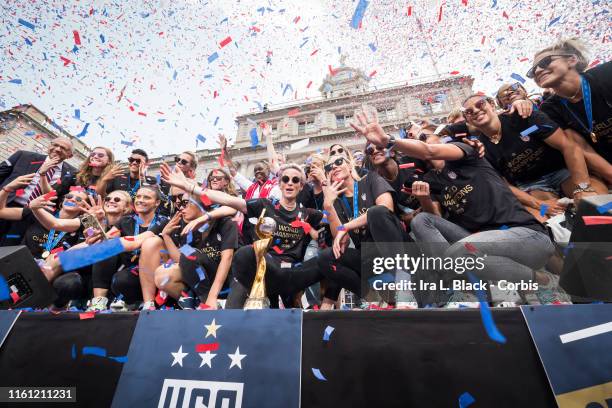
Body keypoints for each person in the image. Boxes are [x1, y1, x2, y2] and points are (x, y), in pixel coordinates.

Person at [350, 110, 571, 306]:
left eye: (424, 136)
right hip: (477, 244)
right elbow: (434, 219)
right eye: (414, 140)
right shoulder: (431, 180)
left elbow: (428, 151)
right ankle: (460, 290)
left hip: (525, 236)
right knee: (422, 222)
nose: (418, 141)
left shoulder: (467, 154)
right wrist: (425, 199)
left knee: (458, 252)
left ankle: (543, 281)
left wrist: (388, 140)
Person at [160, 162, 335, 309]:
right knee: (246, 253)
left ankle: (323, 305)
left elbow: (338, 225)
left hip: (293, 273)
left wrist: (327, 195)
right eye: (285, 179)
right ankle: (229, 314)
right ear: (279, 184)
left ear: (301, 186)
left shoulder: (308, 213)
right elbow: (227, 200)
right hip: (265, 267)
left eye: (295, 180)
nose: (290, 183)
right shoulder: (264, 205)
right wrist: (190, 187)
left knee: (334, 255)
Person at [461, 94, 607, 221]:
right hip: (531, 186)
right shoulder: (481, 148)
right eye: (468, 111)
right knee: (545, 218)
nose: (475, 111)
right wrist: (539, 205)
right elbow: (504, 185)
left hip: (562, 172)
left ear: (492, 104)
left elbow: (569, 146)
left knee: (596, 202)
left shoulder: (524, 117)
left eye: (480, 104)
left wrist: (583, 187)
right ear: (467, 120)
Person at [315, 152, 414, 308]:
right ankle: (374, 297)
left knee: (376, 212)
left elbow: (385, 208)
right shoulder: (337, 202)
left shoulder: (370, 179)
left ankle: (404, 287)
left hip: (397, 248)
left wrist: (346, 226)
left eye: (339, 162)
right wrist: (328, 206)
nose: (334, 167)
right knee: (325, 257)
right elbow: (342, 241)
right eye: (329, 167)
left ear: (350, 165)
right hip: (369, 256)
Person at [137, 189, 238, 311]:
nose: (180, 208)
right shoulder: (183, 226)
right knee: (162, 275)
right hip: (201, 280)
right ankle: (196, 303)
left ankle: (208, 302)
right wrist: (166, 236)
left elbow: (227, 259)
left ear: (201, 204)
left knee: (190, 254)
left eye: (185, 203)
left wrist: (211, 296)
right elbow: (183, 262)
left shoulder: (224, 222)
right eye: (178, 205)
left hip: (227, 279)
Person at [529, 38, 612, 184]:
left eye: (544, 62)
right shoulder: (549, 109)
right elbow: (582, 148)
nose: (537, 70)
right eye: (532, 71)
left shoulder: (606, 74)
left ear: (571, 60)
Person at [87, 185, 169, 311]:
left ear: (157, 202)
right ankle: (98, 301)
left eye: (146, 197)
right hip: (128, 268)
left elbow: (139, 240)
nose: (140, 200)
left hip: (152, 270)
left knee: (122, 280)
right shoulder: (126, 221)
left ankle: (144, 302)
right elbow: (106, 239)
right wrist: (96, 225)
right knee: (105, 248)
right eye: (139, 196)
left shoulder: (163, 221)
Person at [0, 137, 76, 208]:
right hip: (5, 204)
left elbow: (58, 198)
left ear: (70, 156)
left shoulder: (72, 174)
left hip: (34, 214)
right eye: (55, 145)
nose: (57, 149)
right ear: (49, 145)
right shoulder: (23, 156)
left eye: (63, 148)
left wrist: (43, 174)